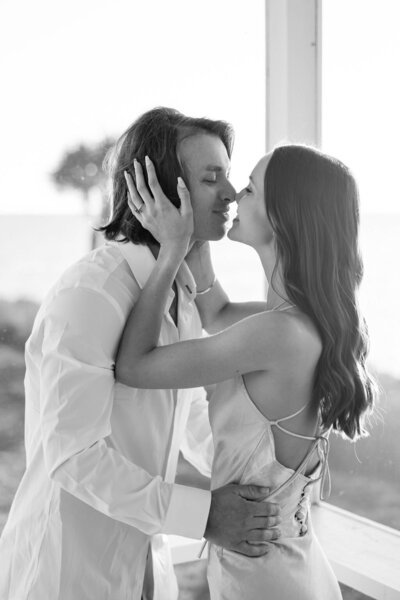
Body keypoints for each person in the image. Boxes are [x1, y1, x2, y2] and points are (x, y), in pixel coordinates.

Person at [0, 107, 281, 600]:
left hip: (144, 571)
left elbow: (192, 415)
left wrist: (269, 478)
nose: (231, 193)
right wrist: (206, 516)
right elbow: (75, 457)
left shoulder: (181, 294)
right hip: (68, 575)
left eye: (229, 176)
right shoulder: (93, 292)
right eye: (211, 178)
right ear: (158, 190)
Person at [116, 144, 377, 600]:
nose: (236, 192)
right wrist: (191, 228)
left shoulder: (278, 333)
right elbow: (216, 313)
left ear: (282, 216)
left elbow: (135, 365)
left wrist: (171, 251)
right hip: (291, 570)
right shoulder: (297, 322)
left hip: (266, 583)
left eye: (251, 188)